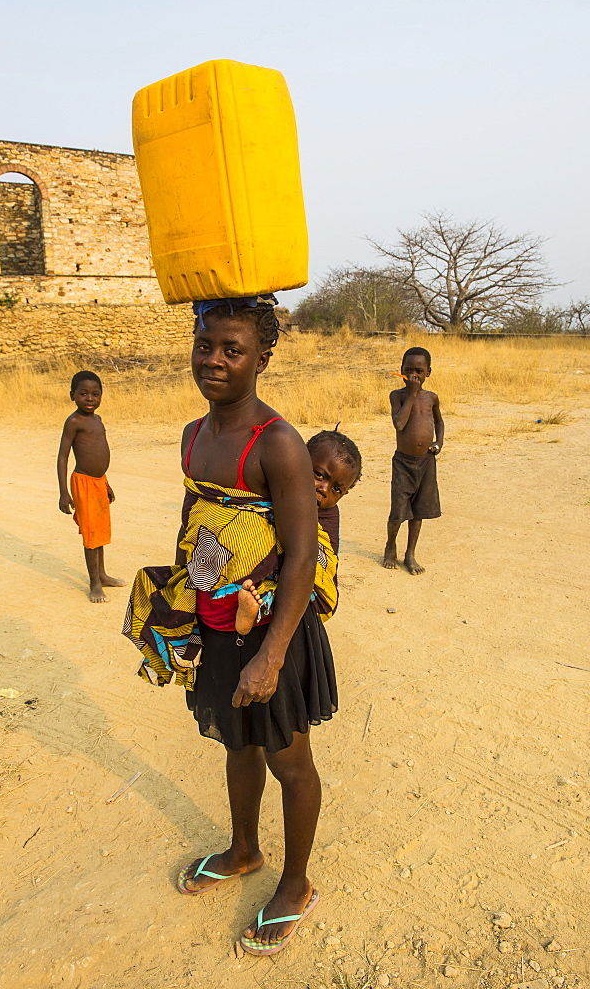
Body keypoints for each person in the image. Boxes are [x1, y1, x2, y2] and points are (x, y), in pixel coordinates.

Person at [123, 297, 336, 956]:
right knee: (235, 747)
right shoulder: (194, 434)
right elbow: (195, 525)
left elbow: (300, 554)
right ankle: (243, 850)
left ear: (260, 360)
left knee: (287, 760)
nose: (213, 360)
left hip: (276, 634)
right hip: (218, 628)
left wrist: (270, 656)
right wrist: (181, 609)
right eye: (204, 344)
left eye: (232, 350)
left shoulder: (275, 443)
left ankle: (295, 885)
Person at [235, 427, 362, 635]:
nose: (324, 489)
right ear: (298, 460)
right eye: (319, 475)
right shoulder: (277, 486)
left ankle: (253, 613)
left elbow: (319, 560)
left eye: (337, 489)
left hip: (309, 595)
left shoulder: (328, 515)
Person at [57, 370, 125, 603]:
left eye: (95, 394)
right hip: (83, 482)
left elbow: (98, 453)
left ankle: (103, 575)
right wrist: (63, 492)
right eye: (83, 393)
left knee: (101, 531)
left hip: (98, 482)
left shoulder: (97, 420)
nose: (89, 398)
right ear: (72, 395)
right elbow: (63, 457)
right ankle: (94, 583)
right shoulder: (74, 422)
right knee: (91, 534)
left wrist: (106, 483)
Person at [382, 347, 444, 575]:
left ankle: (410, 553)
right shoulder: (397, 396)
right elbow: (399, 424)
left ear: (429, 372)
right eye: (409, 370)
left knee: (418, 510)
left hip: (426, 462)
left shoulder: (432, 398)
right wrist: (411, 394)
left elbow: (439, 422)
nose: (414, 375)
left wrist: (439, 442)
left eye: (419, 371)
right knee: (398, 510)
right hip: (404, 463)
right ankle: (390, 546)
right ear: (401, 372)